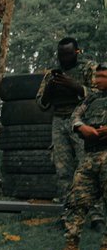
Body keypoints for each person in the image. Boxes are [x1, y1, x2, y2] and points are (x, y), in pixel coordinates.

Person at [36, 37, 100, 225]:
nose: (64, 58)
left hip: (82, 121)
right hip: (59, 121)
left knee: (88, 168)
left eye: (68, 54)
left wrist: (75, 86)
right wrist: (51, 87)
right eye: (60, 55)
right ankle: (67, 214)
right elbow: (41, 103)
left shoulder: (89, 68)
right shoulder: (51, 74)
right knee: (63, 171)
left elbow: (100, 93)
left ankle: (96, 215)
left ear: (77, 52)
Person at [48, 63, 107, 250]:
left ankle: (106, 249)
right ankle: (71, 247)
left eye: (102, 77)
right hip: (90, 157)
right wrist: (82, 128)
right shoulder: (92, 98)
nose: (97, 80)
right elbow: (75, 116)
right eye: (97, 76)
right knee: (76, 200)